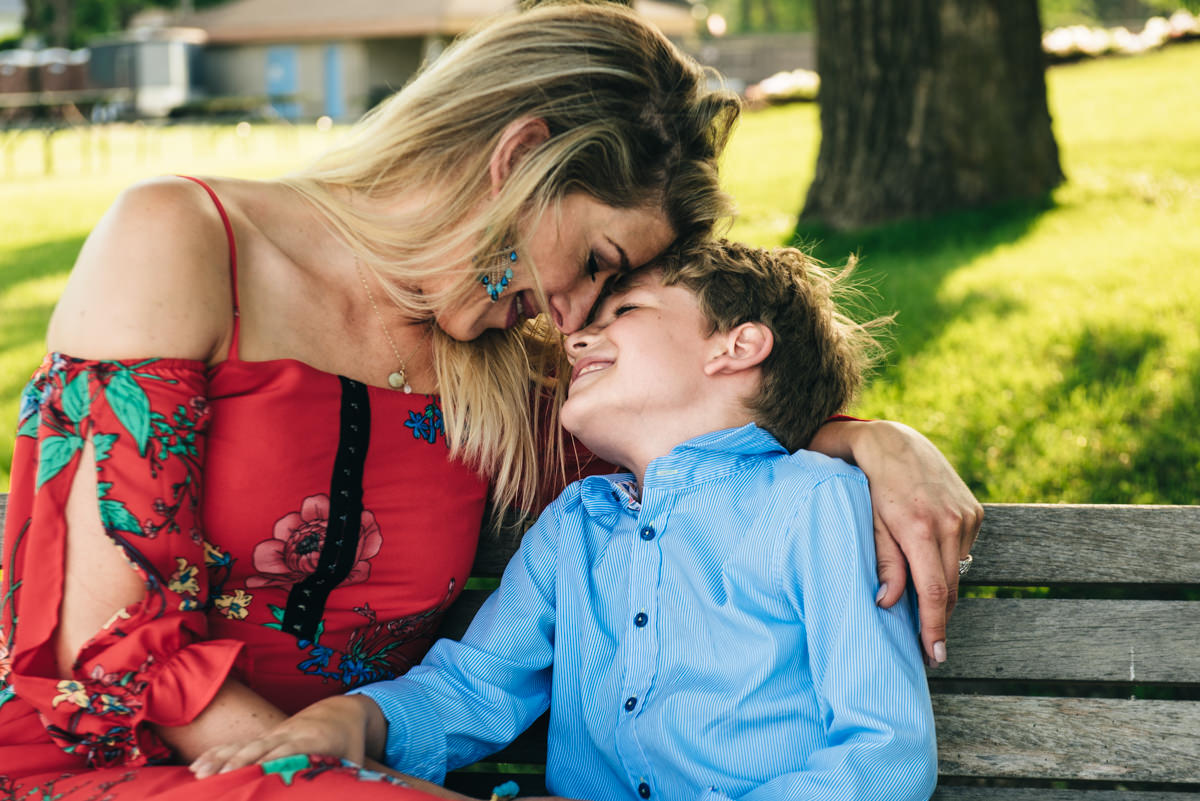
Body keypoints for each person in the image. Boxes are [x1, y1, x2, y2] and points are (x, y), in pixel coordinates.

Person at [1, 3, 976, 799]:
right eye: (596, 262)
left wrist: (865, 437)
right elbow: (108, 641)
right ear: (519, 156)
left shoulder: (521, 371)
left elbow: (690, 446)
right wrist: (328, 769)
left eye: (613, 294)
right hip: (113, 761)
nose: (577, 313)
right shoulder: (184, 239)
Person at [191, 240, 938, 800]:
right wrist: (358, 718)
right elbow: (477, 685)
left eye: (625, 313)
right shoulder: (575, 525)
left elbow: (883, 750)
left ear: (736, 346)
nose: (575, 337)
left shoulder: (813, 502)